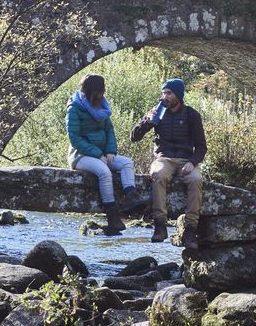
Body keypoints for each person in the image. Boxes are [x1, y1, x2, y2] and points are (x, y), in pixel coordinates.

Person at [130, 78, 207, 249]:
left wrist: (193, 163)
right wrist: (146, 122)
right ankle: (160, 226)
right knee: (158, 175)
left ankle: (190, 230)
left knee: (195, 180)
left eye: (169, 93)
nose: (165, 96)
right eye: (163, 93)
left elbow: (201, 147)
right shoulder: (156, 112)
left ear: (178, 95)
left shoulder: (192, 115)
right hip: (163, 158)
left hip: (186, 159)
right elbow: (134, 137)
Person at [66, 73, 138, 236]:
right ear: (91, 91)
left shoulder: (102, 107)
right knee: (105, 172)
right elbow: (74, 138)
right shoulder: (74, 107)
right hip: (80, 155)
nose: (101, 95)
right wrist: (98, 154)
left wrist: (110, 151)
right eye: (99, 92)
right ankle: (112, 216)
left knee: (127, 163)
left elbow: (109, 130)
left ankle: (130, 199)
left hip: (103, 154)